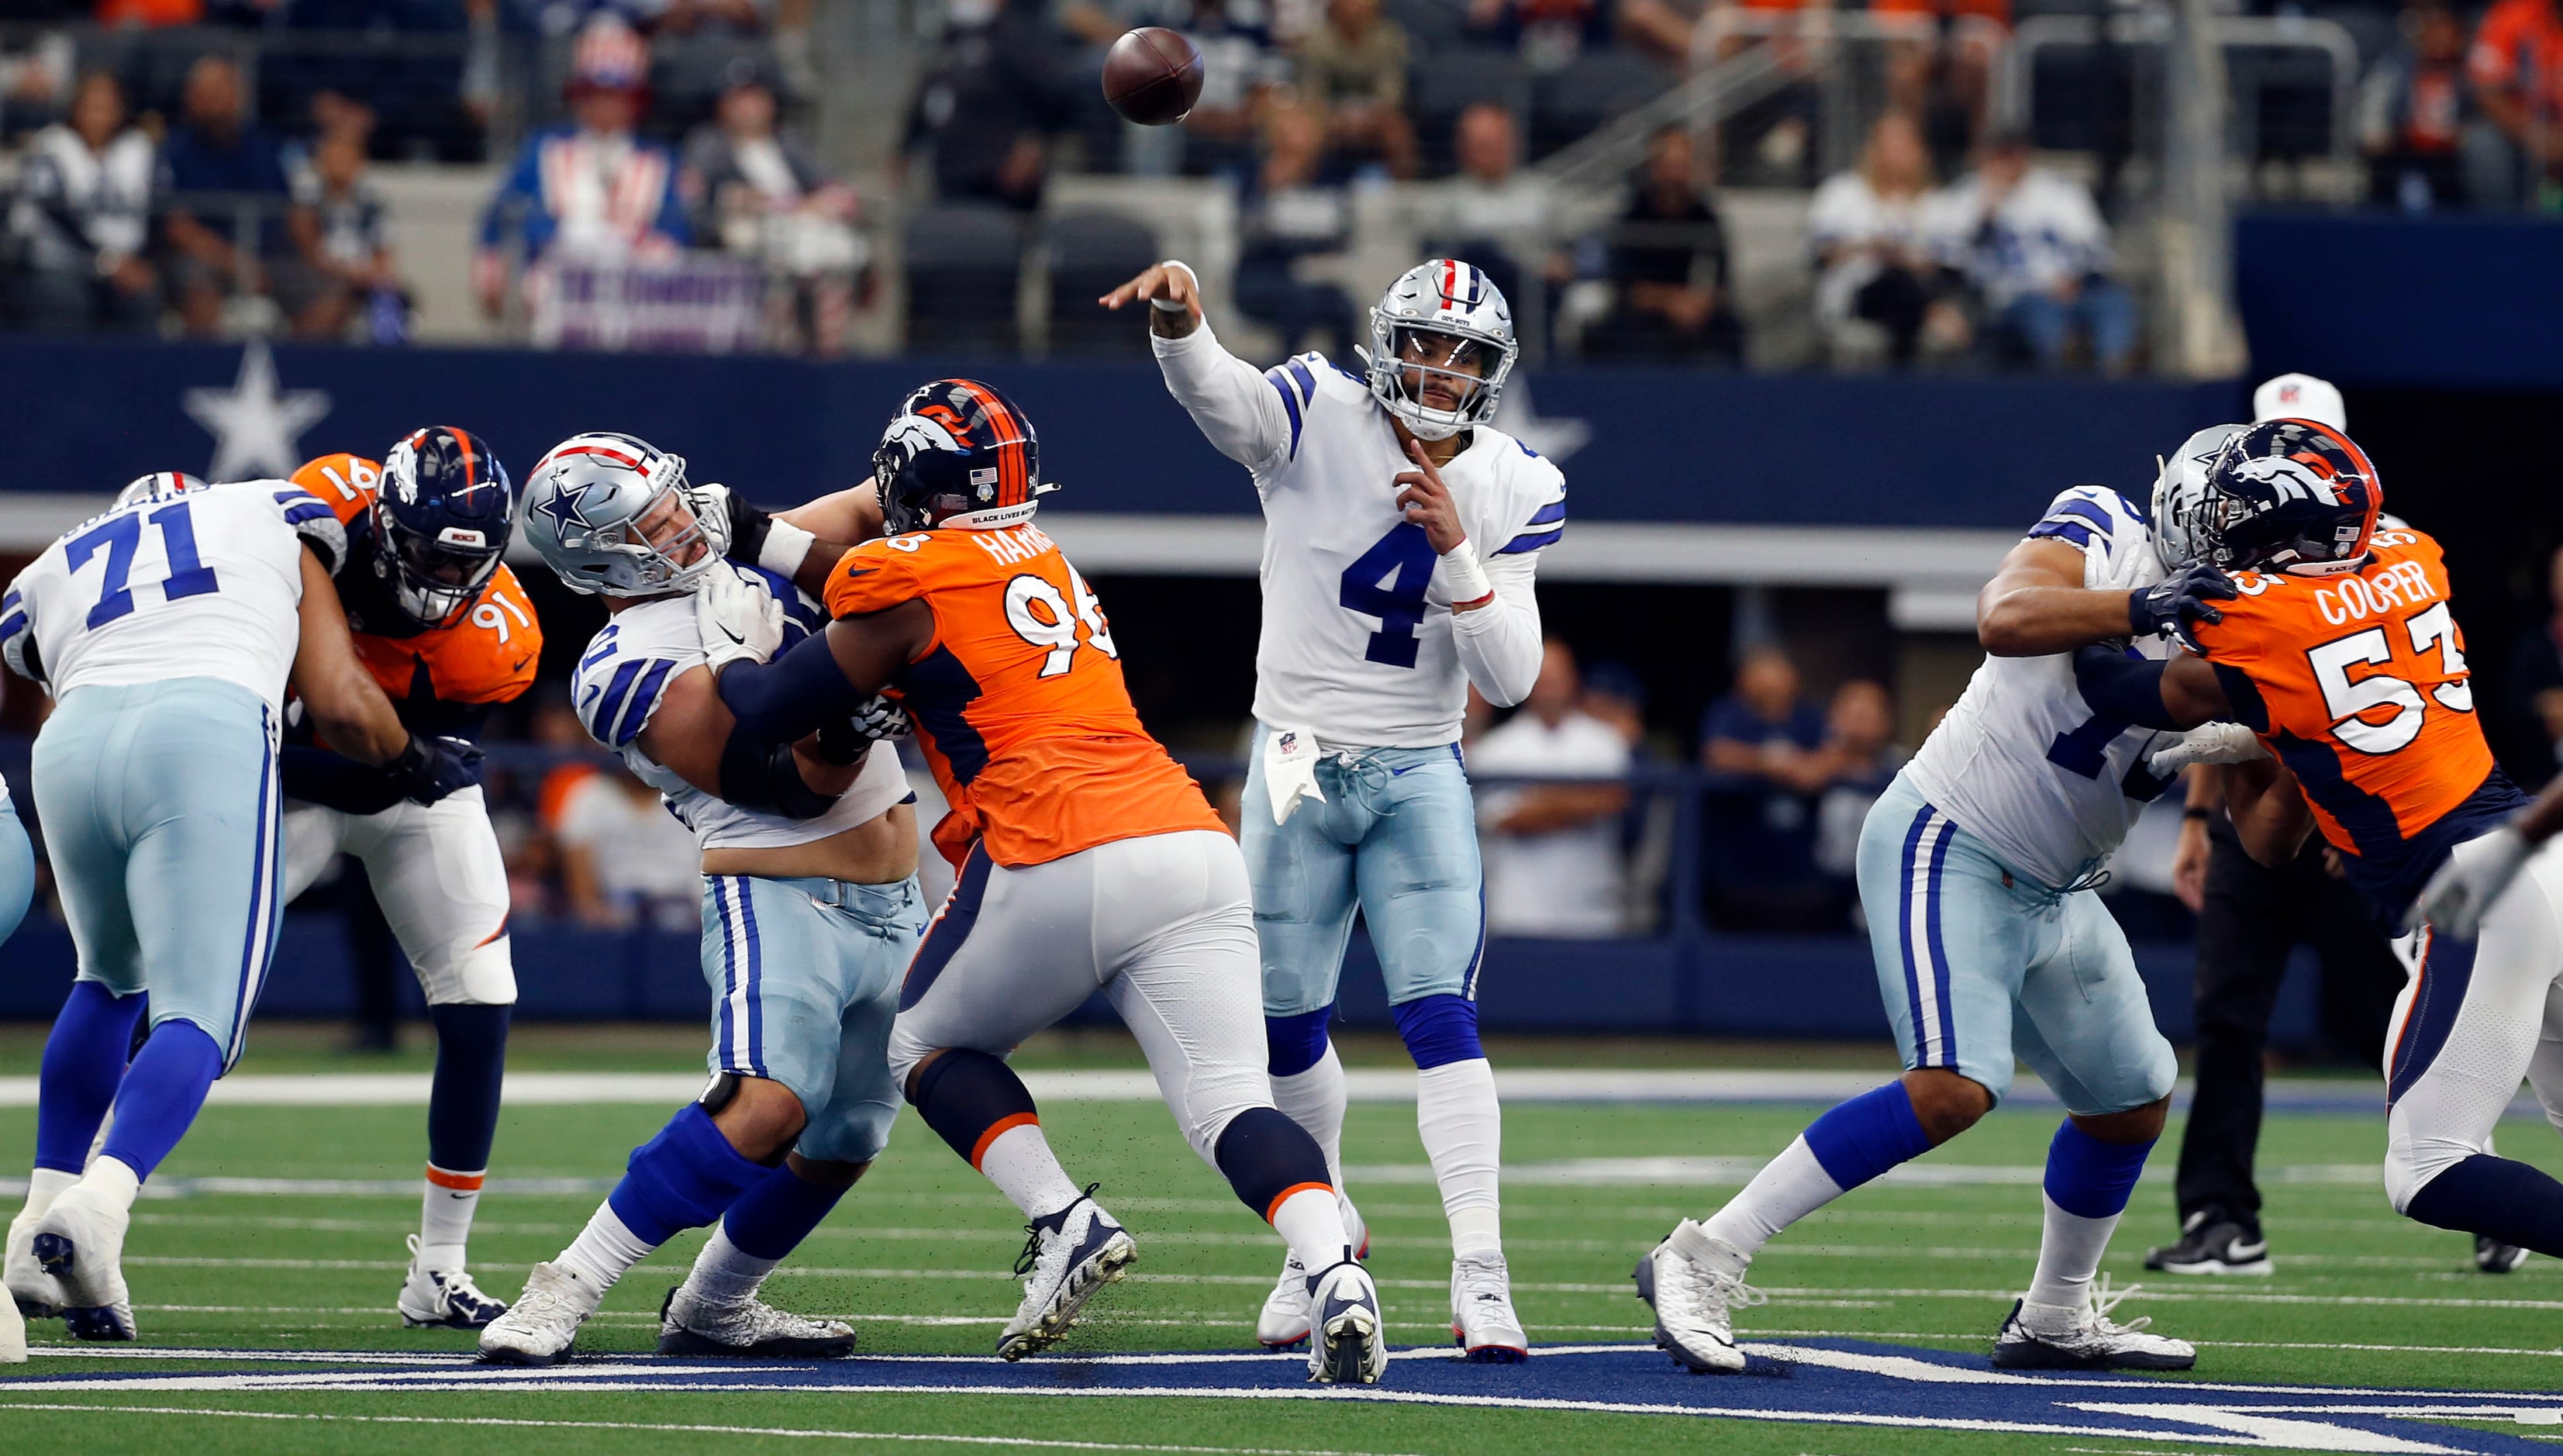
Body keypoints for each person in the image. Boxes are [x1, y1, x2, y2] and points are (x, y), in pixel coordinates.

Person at [692, 379, 1388, 1382]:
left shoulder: (902, 573)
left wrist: (725, 632)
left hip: (1055, 843)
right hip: (1187, 840)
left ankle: (1062, 1217)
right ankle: (1332, 1271)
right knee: (1233, 1102)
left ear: (908, 483)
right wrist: (757, 535)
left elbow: (769, 704)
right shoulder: (1042, 557)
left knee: (923, 1042)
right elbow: (901, 596)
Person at [1637, 478, 2238, 1374]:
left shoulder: (2254, 630)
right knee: (1955, 1084)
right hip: (1949, 838)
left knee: (2130, 1102)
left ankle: (2053, 1316)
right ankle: (1701, 1255)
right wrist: (2140, 604)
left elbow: (2268, 833)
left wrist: (2276, 747)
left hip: (2057, 887)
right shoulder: (2106, 525)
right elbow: (2005, 617)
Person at [1102, 254, 1560, 1362]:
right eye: (1425, 345)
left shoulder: (1514, 480)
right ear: (1386, 341)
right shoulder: (1317, 408)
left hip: (1415, 764)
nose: (1439, 371)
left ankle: (1480, 1269)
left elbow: (1509, 679)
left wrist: (1455, 548)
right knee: (1282, 1024)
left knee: (1438, 1015)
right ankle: (1325, 1244)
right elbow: (1226, 398)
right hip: (1296, 756)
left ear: (1490, 372)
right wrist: (1180, 326)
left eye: (1463, 356)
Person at [477, 431, 923, 1365]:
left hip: (895, 898)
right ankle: (566, 1286)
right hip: (782, 895)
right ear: (600, 558)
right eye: (654, 523)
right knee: (766, 1105)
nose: (684, 524)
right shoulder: (618, 668)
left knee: (848, 1133)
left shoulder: (739, 557)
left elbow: (887, 513)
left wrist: (779, 534)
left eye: (676, 501)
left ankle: (716, 1303)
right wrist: (837, 718)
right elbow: (791, 787)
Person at [1, 473, 480, 1341]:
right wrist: (414, 760)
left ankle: (38, 1226)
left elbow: (34, 660)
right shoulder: (270, 506)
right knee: (201, 1013)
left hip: (69, 744)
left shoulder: (58, 557)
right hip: (205, 726)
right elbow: (338, 700)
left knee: (106, 977)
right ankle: (99, 1206)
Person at [2074, 419, 2563, 1267]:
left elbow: (2116, 684)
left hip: (2474, 889)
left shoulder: (2259, 619)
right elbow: (2292, 784)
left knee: (2429, 1169)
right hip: (2535, 860)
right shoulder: (2417, 555)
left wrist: (2109, 608)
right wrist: (2256, 738)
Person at [262, 436, 536, 1328]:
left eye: (464, 559)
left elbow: (422, 771)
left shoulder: (499, 635)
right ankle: (76, 1209)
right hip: (270, 772)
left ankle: (442, 1268)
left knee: (483, 991)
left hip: (396, 781)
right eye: (423, 549)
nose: (439, 575)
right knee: (174, 991)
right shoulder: (323, 508)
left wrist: (395, 761)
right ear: (382, 523)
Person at [473, 16, 689, 319]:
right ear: (580, 99)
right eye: (595, 95)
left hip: (636, 286)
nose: (604, 106)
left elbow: (676, 227)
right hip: (557, 278)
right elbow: (503, 212)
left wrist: (629, 249)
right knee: (539, 285)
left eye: (615, 97)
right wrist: (491, 264)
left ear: (634, 103)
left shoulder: (659, 158)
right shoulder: (544, 148)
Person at [680, 73, 865, 355]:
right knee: (780, 254)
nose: (749, 108)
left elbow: (837, 190)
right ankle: (781, 352)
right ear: (723, 106)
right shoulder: (709, 147)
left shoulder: (788, 144)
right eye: (740, 100)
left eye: (756, 99)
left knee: (837, 251)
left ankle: (830, 352)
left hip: (805, 235)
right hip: (751, 242)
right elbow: (699, 205)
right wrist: (747, 205)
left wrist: (803, 206)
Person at [1934, 130, 2134, 373]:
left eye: (2013, 154)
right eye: (1999, 155)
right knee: (2044, 314)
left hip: (2072, 288)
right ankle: (2056, 385)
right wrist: (1985, 216)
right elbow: (1946, 259)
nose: (2007, 163)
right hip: (2010, 298)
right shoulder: (1965, 196)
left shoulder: (2059, 192)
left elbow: (2095, 247)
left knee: (2114, 302)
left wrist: (2073, 278)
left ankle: (2114, 379)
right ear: (1983, 157)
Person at [1471, 638, 1632, 938]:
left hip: (1592, 912)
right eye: (1541, 677)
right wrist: (1578, 803)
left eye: (1557, 677)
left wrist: (1537, 802)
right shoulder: (1494, 750)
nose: (1549, 686)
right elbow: (1506, 820)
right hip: (1517, 911)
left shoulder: (1606, 742)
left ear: (1574, 680)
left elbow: (1612, 800)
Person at [1808, 109, 1965, 366]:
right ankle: (1931, 314)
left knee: (1903, 281)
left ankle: (1925, 316)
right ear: (1874, 149)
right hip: (1855, 294)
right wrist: (1871, 248)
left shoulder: (1940, 205)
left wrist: (1904, 257)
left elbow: (1950, 266)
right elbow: (1820, 253)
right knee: (1893, 281)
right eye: (1891, 145)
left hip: (1919, 288)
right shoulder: (1842, 193)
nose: (1898, 154)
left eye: (1906, 145)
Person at [157, 55, 298, 339]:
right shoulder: (171, 151)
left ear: (240, 95)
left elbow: (292, 213)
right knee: (195, 284)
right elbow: (177, 228)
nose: (215, 99)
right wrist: (235, 263)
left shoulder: (266, 147)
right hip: (204, 260)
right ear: (190, 98)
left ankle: (302, 374)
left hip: (269, 258)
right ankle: (207, 375)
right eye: (206, 92)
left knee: (323, 289)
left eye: (223, 89)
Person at [8, 71, 157, 333]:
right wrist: (106, 261)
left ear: (120, 111)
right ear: (75, 108)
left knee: (142, 297)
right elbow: (57, 214)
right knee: (69, 303)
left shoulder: (138, 149)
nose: (98, 115)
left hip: (124, 265)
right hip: (58, 265)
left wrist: (138, 263)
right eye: (91, 106)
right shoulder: (52, 146)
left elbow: (160, 209)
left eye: (106, 107)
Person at [1588, 124, 1743, 364]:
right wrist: (1671, 302)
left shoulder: (1706, 217)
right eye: (1669, 166)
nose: (1675, 176)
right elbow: (1626, 288)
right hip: (1643, 318)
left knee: (1732, 330)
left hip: (1696, 317)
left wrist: (1699, 303)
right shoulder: (1633, 217)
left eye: (1682, 166)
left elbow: (1720, 284)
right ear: (1654, 167)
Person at [1699, 646, 1829, 926]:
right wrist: (1771, 763)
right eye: (1760, 676)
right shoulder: (1729, 714)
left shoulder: (1810, 717)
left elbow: (1832, 758)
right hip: (1738, 869)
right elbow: (1717, 754)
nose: (1769, 684)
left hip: (1798, 870)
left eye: (1776, 675)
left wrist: (1806, 767)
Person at [899, 0, 1069, 212]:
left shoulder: (1017, 36)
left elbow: (1055, 92)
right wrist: (905, 149)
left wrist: (1034, 143)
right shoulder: (951, 37)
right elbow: (928, 95)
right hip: (951, 176)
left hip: (999, 181)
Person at [1231, 102, 1361, 355]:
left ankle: (1350, 380)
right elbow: (1247, 233)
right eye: (1287, 133)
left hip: (1317, 277)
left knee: (1345, 307)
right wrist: (1270, 189)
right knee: (1298, 301)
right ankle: (1285, 379)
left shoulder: (1333, 177)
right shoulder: (1254, 176)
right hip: (1260, 277)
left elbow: (1343, 234)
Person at [276, 130, 408, 342]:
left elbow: (383, 254)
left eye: (346, 158)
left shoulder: (372, 205)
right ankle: (309, 360)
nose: (340, 165)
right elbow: (311, 252)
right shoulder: (306, 202)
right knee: (333, 302)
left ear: (359, 163)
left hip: (362, 279)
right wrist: (348, 273)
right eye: (334, 158)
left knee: (389, 301)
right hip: (315, 278)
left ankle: (386, 364)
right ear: (321, 162)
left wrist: (374, 275)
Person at [2359, 0, 2472, 210]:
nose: (2440, 38)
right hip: (2404, 149)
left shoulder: (2470, 74)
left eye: (2446, 30)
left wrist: (2465, 134)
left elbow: (2480, 116)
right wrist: (2378, 134)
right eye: (2433, 30)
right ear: (2422, 35)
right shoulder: (2398, 67)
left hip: (2451, 157)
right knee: (2385, 174)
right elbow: (2374, 106)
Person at [1295, 0, 1416, 177]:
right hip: (1328, 116)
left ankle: (1404, 191)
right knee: (1304, 130)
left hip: (1375, 117)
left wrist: (1364, 119)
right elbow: (1311, 95)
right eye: (1347, 8)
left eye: (1361, 9)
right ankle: (1300, 192)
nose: (1354, 14)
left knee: (1397, 130)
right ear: (1335, 11)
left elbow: (1391, 96)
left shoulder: (1389, 40)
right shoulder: (1315, 42)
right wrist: (1336, 118)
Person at [2462, 0, 2563, 209]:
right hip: (2526, 130)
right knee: (2483, 142)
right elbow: (2486, 88)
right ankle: (2499, 232)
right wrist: (2533, 133)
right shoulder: (2515, 13)